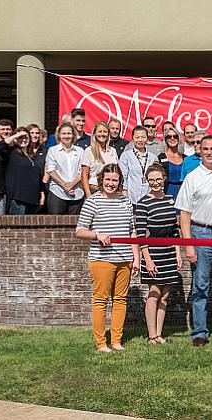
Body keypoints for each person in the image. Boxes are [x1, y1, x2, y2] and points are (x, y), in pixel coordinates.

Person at [176, 135, 212, 346]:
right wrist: (188, 244)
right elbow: (184, 214)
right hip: (200, 233)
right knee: (200, 286)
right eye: (205, 149)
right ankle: (200, 332)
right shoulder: (193, 177)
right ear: (199, 150)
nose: (209, 152)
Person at [75, 163, 140, 352]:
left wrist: (136, 258)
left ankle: (116, 340)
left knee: (120, 299)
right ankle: (101, 342)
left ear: (120, 182)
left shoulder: (126, 202)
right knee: (101, 300)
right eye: (108, 179)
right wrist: (97, 235)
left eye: (115, 180)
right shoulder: (92, 201)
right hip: (101, 259)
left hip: (125, 258)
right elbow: (79, 231)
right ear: (101, 180)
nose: (111, 183)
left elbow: (132, 232)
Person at [135, 162, 182, 345]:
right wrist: (148, 260)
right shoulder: (142, 203)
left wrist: (178, 253)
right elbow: (140, 235)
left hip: (169, 251)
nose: (155, 183)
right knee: (154, 292)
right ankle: (151, 335)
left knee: (165, 295)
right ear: (147, 180)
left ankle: (159, 334)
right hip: (152, 252)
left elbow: (175, 230)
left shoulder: (171, 199)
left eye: (158, 179)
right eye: (151, 180)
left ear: (164, 179)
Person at [0, 128, 45, 214]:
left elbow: (38, 176)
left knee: (30, 227)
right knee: (18, 226)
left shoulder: (33, 156)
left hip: (33, 198)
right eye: (21, 138)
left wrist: (42, 193)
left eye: (26, 137)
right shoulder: (12, 153)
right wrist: (16, 135)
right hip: (18, 198)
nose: (23, 140)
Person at [46, 123, 85, 214]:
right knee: (55, 224)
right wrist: (65, 186)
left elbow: (83, 171)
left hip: (77, 193)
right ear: (59, 135)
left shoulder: (80, 151)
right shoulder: (52, 150)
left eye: (69, 133)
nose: (66, 136)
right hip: (57, 192)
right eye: (64, 134)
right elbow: (51, 170)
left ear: (73, 135)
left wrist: (71, 185)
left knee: (75, 224)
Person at [119, 126, 159, 206]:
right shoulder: (126, 155)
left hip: (149, 198)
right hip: (131, 198)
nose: (140, 140)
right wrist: (124, 194)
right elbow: (123, 177)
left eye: (143, 137)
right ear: (133, 138)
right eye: (137, 137)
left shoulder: (153, 157)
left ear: (147, 139)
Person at [81, 121, 118, 198]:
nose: (102, 134)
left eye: (105, 132)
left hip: (110, 191)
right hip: (94, 190)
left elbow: (116, 172)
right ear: (95, 134)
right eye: (100, 131)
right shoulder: (89, 151)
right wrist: (88, 195)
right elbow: (84, 176)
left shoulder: (112, 151)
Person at [157, 126, 186, 199]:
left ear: (179, 139)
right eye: (169, 137)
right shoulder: (161, 158)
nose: (172, 138)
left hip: (184, 192)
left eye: (175, 136)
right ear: (166, 140)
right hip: (168, 191)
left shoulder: (186, 158)